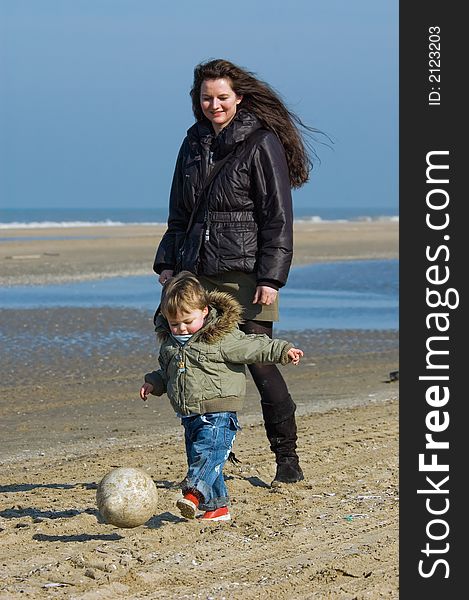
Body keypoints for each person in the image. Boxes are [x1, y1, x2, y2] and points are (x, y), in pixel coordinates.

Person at [153, 58, 316, 485]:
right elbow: (179, 213)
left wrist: (270, 278)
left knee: (259, 362)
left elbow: (277, 216)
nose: (214, 104)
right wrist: (168, 263)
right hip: (196, 271)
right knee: (198, 359)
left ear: (238, 97)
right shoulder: (192, 143)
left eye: (222, 97)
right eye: (207, 97)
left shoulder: (261, 142)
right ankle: (213, 451)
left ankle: (286, 456)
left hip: (247, 273)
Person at [140, 272, 304, 522]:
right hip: (190, 413)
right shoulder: (171, 345)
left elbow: (256, 345)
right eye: (174, 324)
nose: (181, 328)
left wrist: (283, 350)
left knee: (209, 454)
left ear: (204, 311)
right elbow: (168, 373)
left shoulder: (221, 337)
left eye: (187, 321)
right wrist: (154, 383)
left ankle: (194, 494)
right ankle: (217, 507)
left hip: (219, 411)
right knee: (203, 458)